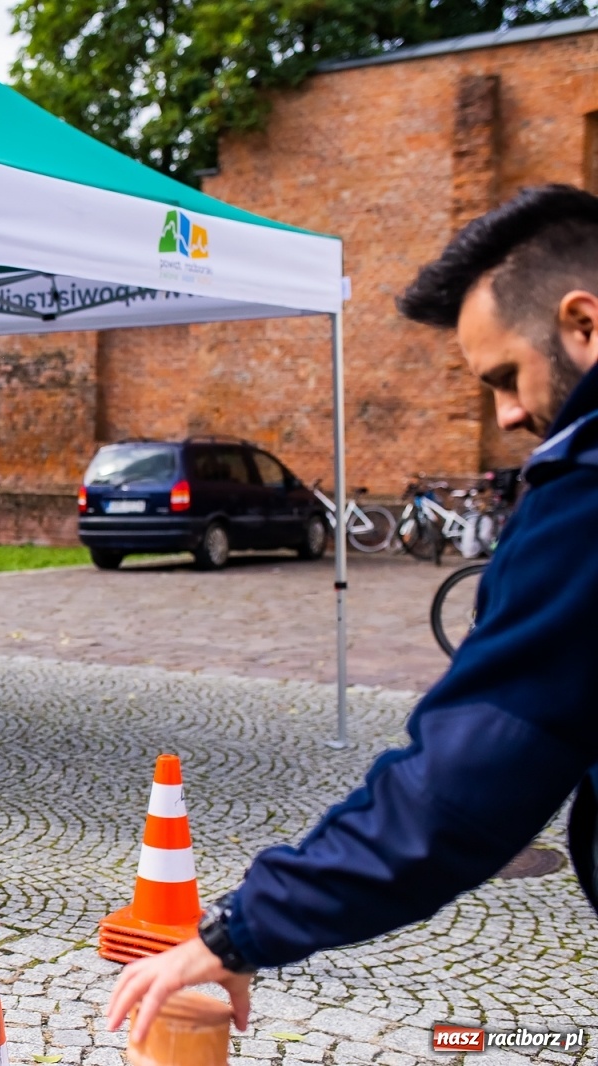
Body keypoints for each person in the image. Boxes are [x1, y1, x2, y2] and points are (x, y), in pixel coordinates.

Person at [107, 184, 598, 1044]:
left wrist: (239, 930)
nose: (509, 414)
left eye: (505, 378)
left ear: (583, 323)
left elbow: (469, 778)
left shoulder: (584, 495)